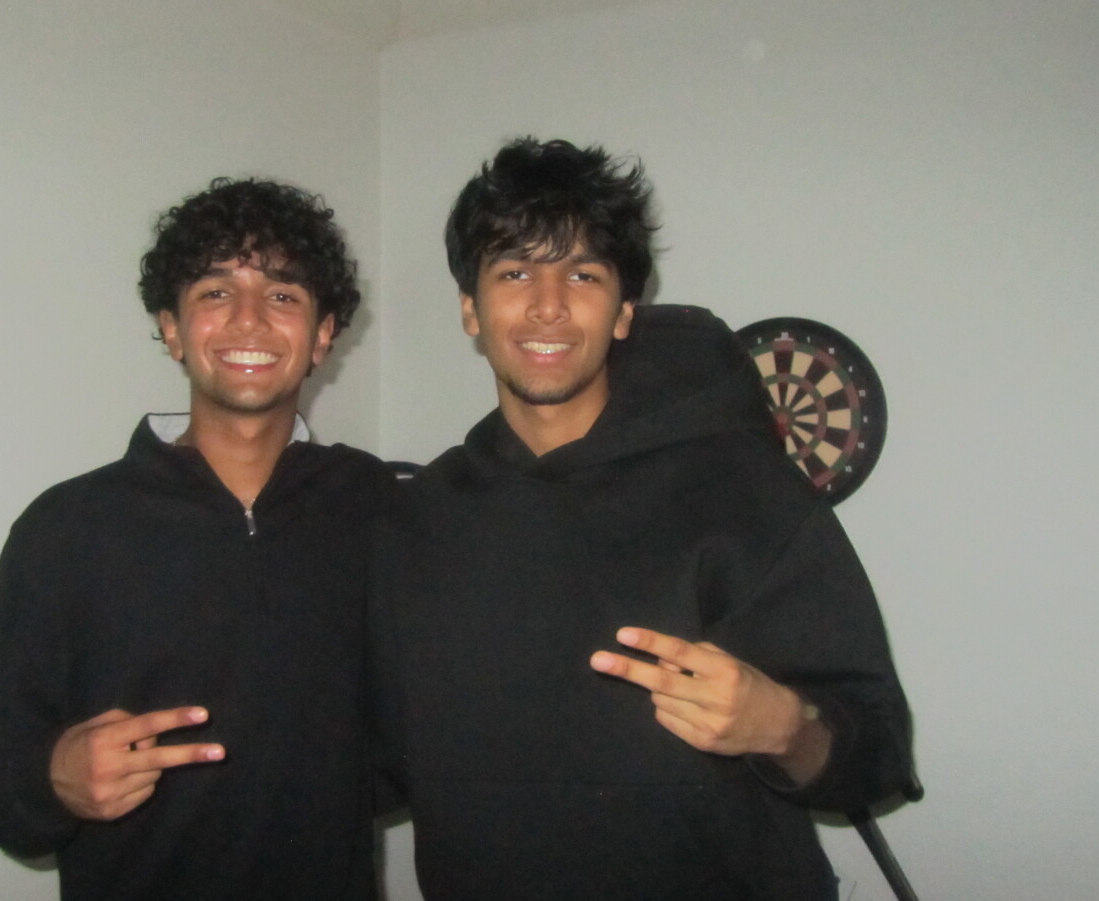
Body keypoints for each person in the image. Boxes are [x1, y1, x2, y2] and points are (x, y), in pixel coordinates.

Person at [371, 138, 914, 900]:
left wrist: (783, 726)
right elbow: (382, 756)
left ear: (625, 312)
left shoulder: (741, 489)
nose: (548, 304)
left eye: (583, 274)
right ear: (471, 309)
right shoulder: (421, 517)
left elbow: (877, 751)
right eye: (515, 272)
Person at [0, 178, 391, 900]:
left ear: (322, 334)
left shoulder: (376, 506)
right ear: (173, 328)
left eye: (282, 293)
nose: (249, 318)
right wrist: (53, 779)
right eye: (216, 291)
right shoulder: (67, 528)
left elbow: (429, 723)